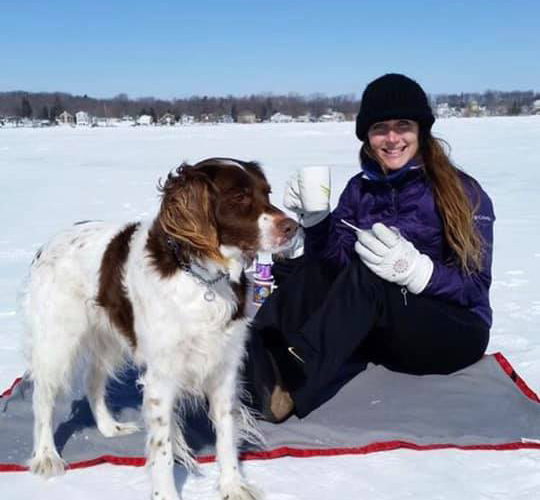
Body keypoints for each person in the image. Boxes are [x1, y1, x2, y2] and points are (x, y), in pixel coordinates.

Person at [243, 73, 495, 423]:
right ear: (367, 136)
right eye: (380, 128)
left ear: (420, 130)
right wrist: (317, 224)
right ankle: (249, 352)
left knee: (371, 274)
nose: (392, 138)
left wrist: (419, 273)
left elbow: (475, 287)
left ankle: (293, 380)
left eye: (403, 125)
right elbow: (331, 266)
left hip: (454, 335)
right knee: (308, 268)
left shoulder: (464, 193)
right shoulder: (359, 190)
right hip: (385, 336)